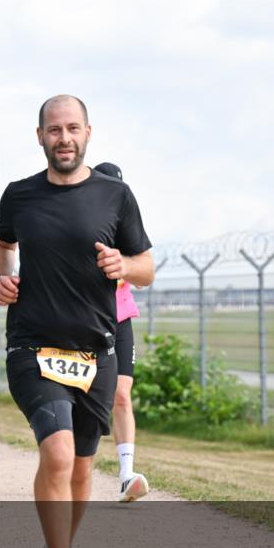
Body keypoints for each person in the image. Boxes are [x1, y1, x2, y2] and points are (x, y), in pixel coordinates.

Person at [0, 95, 154, 548]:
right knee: (58, 455)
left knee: (83, 471)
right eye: (54, 129)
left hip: (95, 352)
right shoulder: (21, 194)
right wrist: (2, 277)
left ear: (88, 133)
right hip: (32, 347)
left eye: (73, 128)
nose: (64, 138)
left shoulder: (116, 195)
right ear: (39, 136)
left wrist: (122, 262)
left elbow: (146, 267)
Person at [93, 161, 150, 503]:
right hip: (84, 319)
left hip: (120, 316)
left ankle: (127, 474)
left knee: (122, 394)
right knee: (87, 395)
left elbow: (141, 273)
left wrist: (129, 265)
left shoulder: (127, 227)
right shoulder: (84, 223)